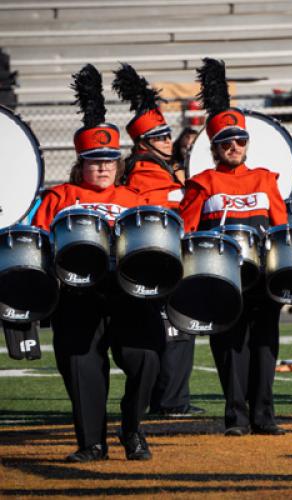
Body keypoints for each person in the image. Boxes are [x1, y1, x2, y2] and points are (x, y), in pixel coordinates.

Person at [33, 64, 165, 462]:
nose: (104, 166)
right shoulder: (58, 196)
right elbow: (39, 243)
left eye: (109, 159)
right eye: (94, 160)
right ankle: (91, 443)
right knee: (81, 367)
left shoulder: (135, 198)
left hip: (128, 290)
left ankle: (132, 427)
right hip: (77, 293)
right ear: (80, 162)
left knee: (147, 358)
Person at [180, 58, 288, 436]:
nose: (235, 147)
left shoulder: (265, 178)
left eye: (241, 140)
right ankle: (236, 417)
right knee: (229, 350)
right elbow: (187, 231)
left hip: (262, 278)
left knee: (264, 346)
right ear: (215, 147)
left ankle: (265, 416)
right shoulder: (202, 183)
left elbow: (281, 226)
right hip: (221, 280)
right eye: (227, 142)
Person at [112, 65, 204, 418]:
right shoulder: (145, 177)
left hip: (162, 260)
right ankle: (170, 402)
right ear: (143, 143)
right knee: (174, 332)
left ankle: (168, 399)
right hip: (160, 261)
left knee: (174, 333)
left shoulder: (163, 171)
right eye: (161, 137)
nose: (169, 141)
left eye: (168, 135)